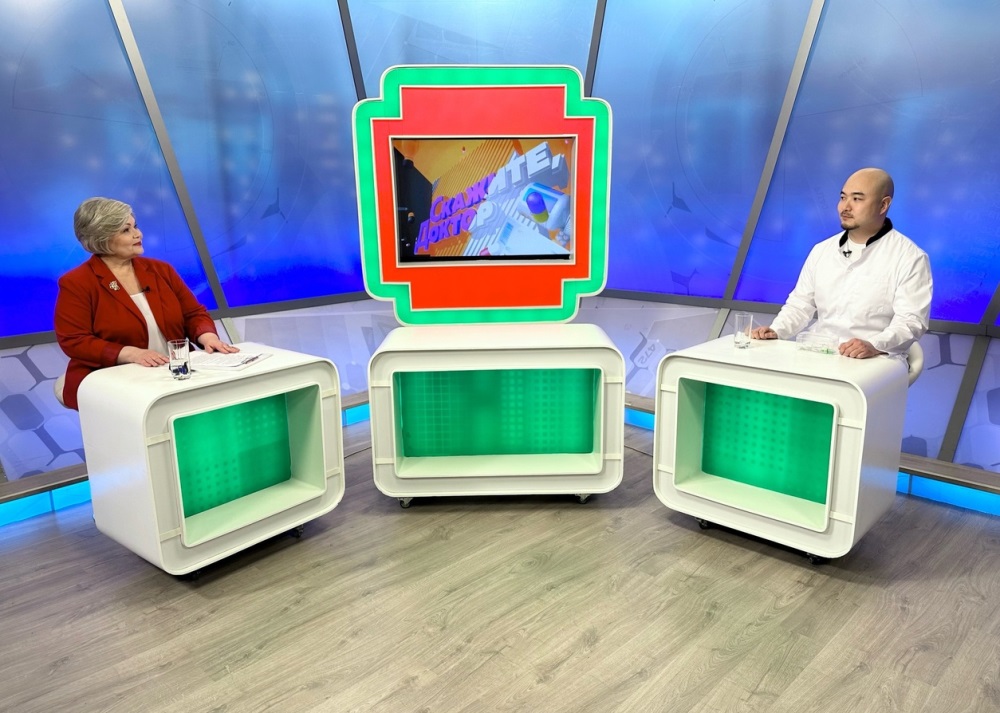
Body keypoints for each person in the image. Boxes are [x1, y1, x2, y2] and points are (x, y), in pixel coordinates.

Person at [54, 197, 239, 409]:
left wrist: (207, 337)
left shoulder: (161, 270)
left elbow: (193, 314)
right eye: (126, 230)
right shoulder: (77, 282)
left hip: (174, 372)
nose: (138, 234)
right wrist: (131, 354)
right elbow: (75, 340)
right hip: (115, 377)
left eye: (136, 226)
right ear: (102, 238)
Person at [750, 168, 932, 361]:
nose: (845, 207)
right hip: (818, 352)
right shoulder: (822, 250)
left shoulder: (910, 257)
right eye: (843, 197)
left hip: (873, 359)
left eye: (857, 199)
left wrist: (874, 345)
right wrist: (776, 330)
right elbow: (800, 304)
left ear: (883, 205)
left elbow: (911, 321)